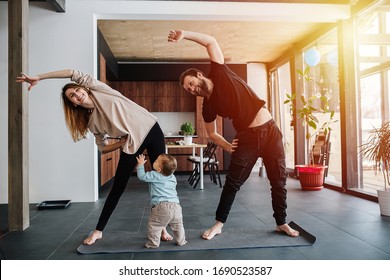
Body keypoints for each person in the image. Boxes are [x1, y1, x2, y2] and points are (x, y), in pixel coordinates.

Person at [167, 30, 299, 240]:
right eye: (188, 90)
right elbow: (212, 133)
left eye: (191, 84)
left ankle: (281, 222)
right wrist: (228, 146)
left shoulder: (219, 72)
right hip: (248, 137)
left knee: (279, 180)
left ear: (199, 75)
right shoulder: (207, 106)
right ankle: (218, 224)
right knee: (232, 183)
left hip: (271, 131)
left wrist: (184, 35)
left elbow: (210, 41)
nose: (192, 89)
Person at [16, 69, 173, 245]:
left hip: (151, 129)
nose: (77, 95)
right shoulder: (91, 122)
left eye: (76, 90)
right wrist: (121, 143)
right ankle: (98, 231)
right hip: (132, 143)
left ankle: (161, 226)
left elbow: (71, 72)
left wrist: (40, 77)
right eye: (72, 96)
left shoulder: (98, 89)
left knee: (161, 180)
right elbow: (103, 148)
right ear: (73, 104)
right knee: (117, 188)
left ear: (84, 88)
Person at [136, 153, 187, 248]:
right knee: (178, 225)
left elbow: (142, 176)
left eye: (156, 161)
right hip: (176, 206)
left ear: (159, 169)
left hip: (161, 206)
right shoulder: (172, 177)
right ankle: (181, 240)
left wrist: (140, 164)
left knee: (154, 225)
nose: (154, 160)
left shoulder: (154, 175)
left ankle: (153, 243)